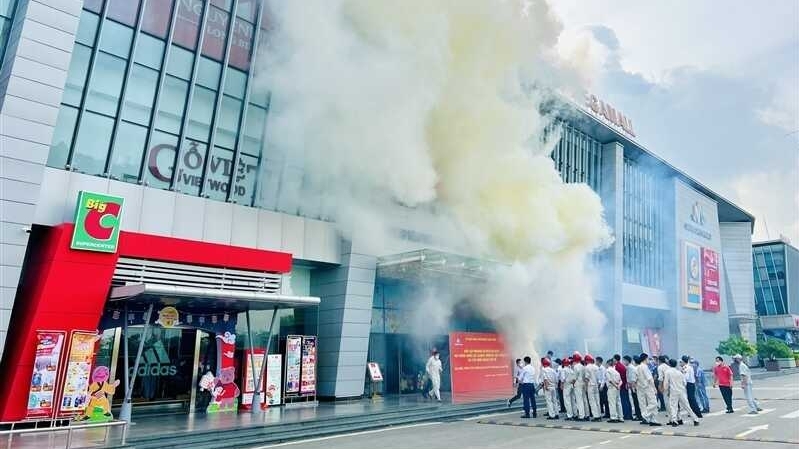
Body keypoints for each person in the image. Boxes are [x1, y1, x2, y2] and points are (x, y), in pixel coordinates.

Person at [665, 359, 700, 427]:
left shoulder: (668, 372)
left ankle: (674, 421)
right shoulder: (679, 372)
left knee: (673, 406)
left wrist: (666, 390)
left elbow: (666, 383)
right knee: (686, 406)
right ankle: (695, 419)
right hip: (681, 391)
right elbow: (684, 382)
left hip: (673, 391)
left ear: (669, 364)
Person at [635, 353, 661, 426]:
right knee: (654, 403)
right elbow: (650, 379)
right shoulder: (645, 367)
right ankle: (646, 416)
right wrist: (654, 388)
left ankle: (649, 419)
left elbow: (636, 379)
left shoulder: (637, 367)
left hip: (640, 388)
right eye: (648, 359)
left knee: (643, 404)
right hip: (648, 387)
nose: (649, 360)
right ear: (645, 359)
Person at [614, 354, 632, 420]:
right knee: (626, 400)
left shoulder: (618, 366)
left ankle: (626, 414)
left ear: (615, 359)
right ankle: (629, 414)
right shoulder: (622, 366)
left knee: (623, 401)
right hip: (624, 385)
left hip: (622, 385)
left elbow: (617, 377)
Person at [584, 354, 601, 421]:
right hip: (596, 385)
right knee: (597, 401)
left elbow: (587, 378)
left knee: (592, 401)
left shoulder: (587, 367)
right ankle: (599, 415)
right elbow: (598, 378)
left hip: (590, 386)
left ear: (586, 361)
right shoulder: (596, 367)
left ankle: (596, 416)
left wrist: (586, 387)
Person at [572, 352, 589, 421]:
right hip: (583, 384)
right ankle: (587, 415)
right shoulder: (583, 366)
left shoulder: (576, 367)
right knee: (584, 400)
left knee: (579, 400)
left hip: (578, 384)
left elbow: (574, 377)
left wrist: (572, 383)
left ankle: (581, 416)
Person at [626, 355, 643, 420]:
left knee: (636, 402)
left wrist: (633, 388)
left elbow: (633, 379)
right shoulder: (636, 367)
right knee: (637, 401)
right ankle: (639, 414)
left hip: (635, 387)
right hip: (638, 387)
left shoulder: (633, 368)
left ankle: (639, 415)